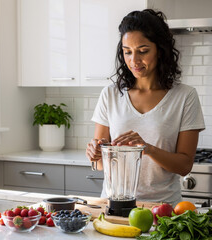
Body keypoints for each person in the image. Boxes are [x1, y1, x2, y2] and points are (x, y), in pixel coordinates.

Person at [85, 9, 205, 206]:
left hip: (163, 209)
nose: (134, 61)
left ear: (160, 49)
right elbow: (99, 164)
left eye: (143, 51)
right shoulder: (110, 95)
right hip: (115, 205)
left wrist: (147, 149)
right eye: (127, 52)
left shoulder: (185, 96)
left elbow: (184, 166)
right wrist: (95, 154)